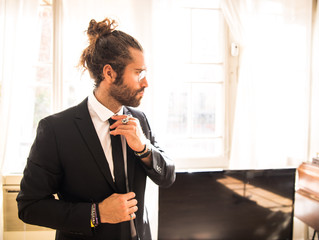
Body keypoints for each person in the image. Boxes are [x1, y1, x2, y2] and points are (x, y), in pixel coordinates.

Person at [16, 17, 176, 240]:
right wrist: (96, 213)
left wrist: (144, 148)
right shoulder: (56, 130)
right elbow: (29, 206)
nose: (145, 82)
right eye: (138, 72)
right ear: (109, 73)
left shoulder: (140, 121)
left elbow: (168, 176)